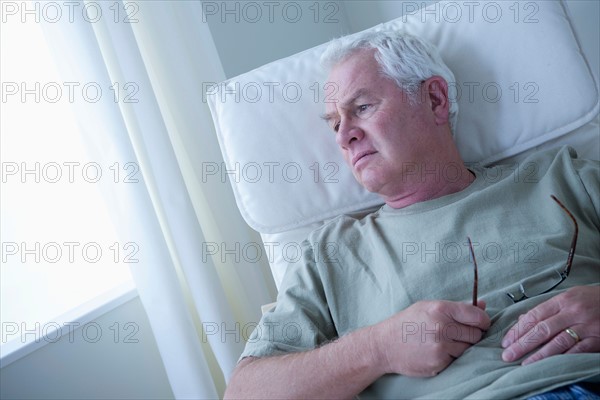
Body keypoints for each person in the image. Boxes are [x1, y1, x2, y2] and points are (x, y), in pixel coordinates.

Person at [224, 31, 600, 399]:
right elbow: (244, 393)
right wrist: (379, 349)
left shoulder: (563, 177)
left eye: (362, 108)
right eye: (336, 123)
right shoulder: (330, 254)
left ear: (435, 100)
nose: (344, 136)